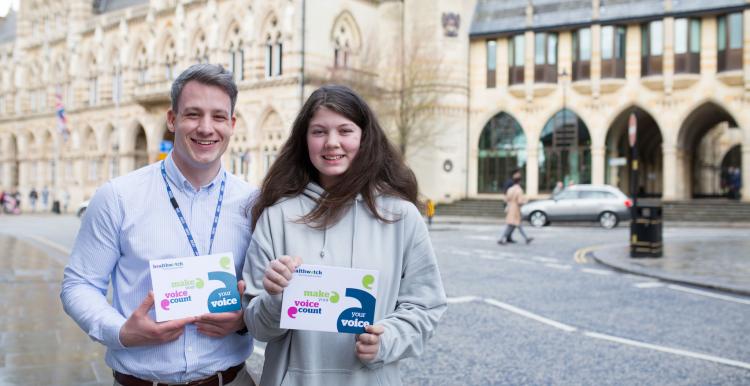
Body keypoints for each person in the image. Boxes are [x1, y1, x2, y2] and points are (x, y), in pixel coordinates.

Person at [61, 64, 257, 386]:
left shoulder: (254, 202)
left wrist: (244, 321)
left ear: (232, 124)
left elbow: (265, 294)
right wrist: (121, 331)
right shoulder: (118, 196)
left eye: (219, 117)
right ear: (172, 119)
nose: (206, 128)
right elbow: (79, 284)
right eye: (193, 114)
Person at [242, 85, 447, 385]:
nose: (332, 143)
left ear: (364, 137)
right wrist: (275, 298)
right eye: (319, 132)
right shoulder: (277, 217)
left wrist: (388, 339)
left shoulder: (401, 216)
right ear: (304, 139)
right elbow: (258, 326)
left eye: (345, 130)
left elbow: (425, 306)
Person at [498, 174, 533, 245]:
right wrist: (525, 201)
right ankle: (501, 239)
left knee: (515, 224)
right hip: (515, 209)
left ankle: (526, 238)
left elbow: (506, 199)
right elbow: (520, 202)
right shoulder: (519, 190)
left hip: (510, 207)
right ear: (519, 181)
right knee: (513, 225)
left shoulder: (510, 189)